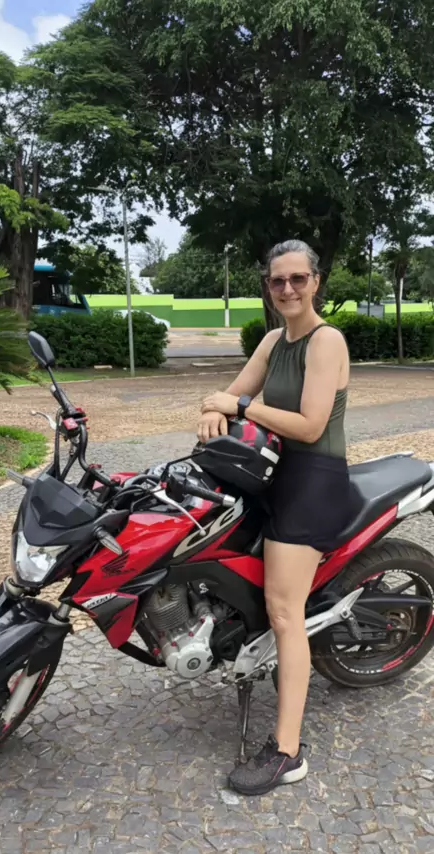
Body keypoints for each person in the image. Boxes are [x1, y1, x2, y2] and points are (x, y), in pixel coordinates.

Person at [197, 239, 351, 796]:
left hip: (314, 479)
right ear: (268, 286)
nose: (287, 289)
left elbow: (309, 425)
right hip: (270, 472)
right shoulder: (271, 341)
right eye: (277, 280)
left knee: (285, 611)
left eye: (297, 279)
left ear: (315, 282)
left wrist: (236, 407)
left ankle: (288, 751)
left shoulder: (326, 341)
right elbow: (228, 394)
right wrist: (212, 413)